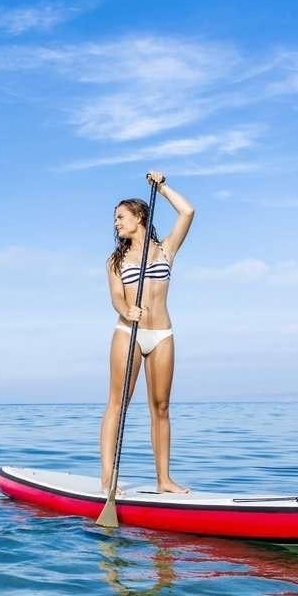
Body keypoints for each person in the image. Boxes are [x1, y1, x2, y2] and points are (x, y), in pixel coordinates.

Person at [100, 171, 195, 495]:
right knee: (118, 403)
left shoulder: (165, 249)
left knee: (161, 407)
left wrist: (163, 188)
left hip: (162, 334)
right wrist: (126, 310)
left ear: (139, 217)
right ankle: (108, 477)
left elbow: (188, 212)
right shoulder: (116, 260)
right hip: (129, 333)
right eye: (115, 219)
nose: (116, 223)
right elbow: (115, 296)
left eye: (121, 217)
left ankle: (163, 480)